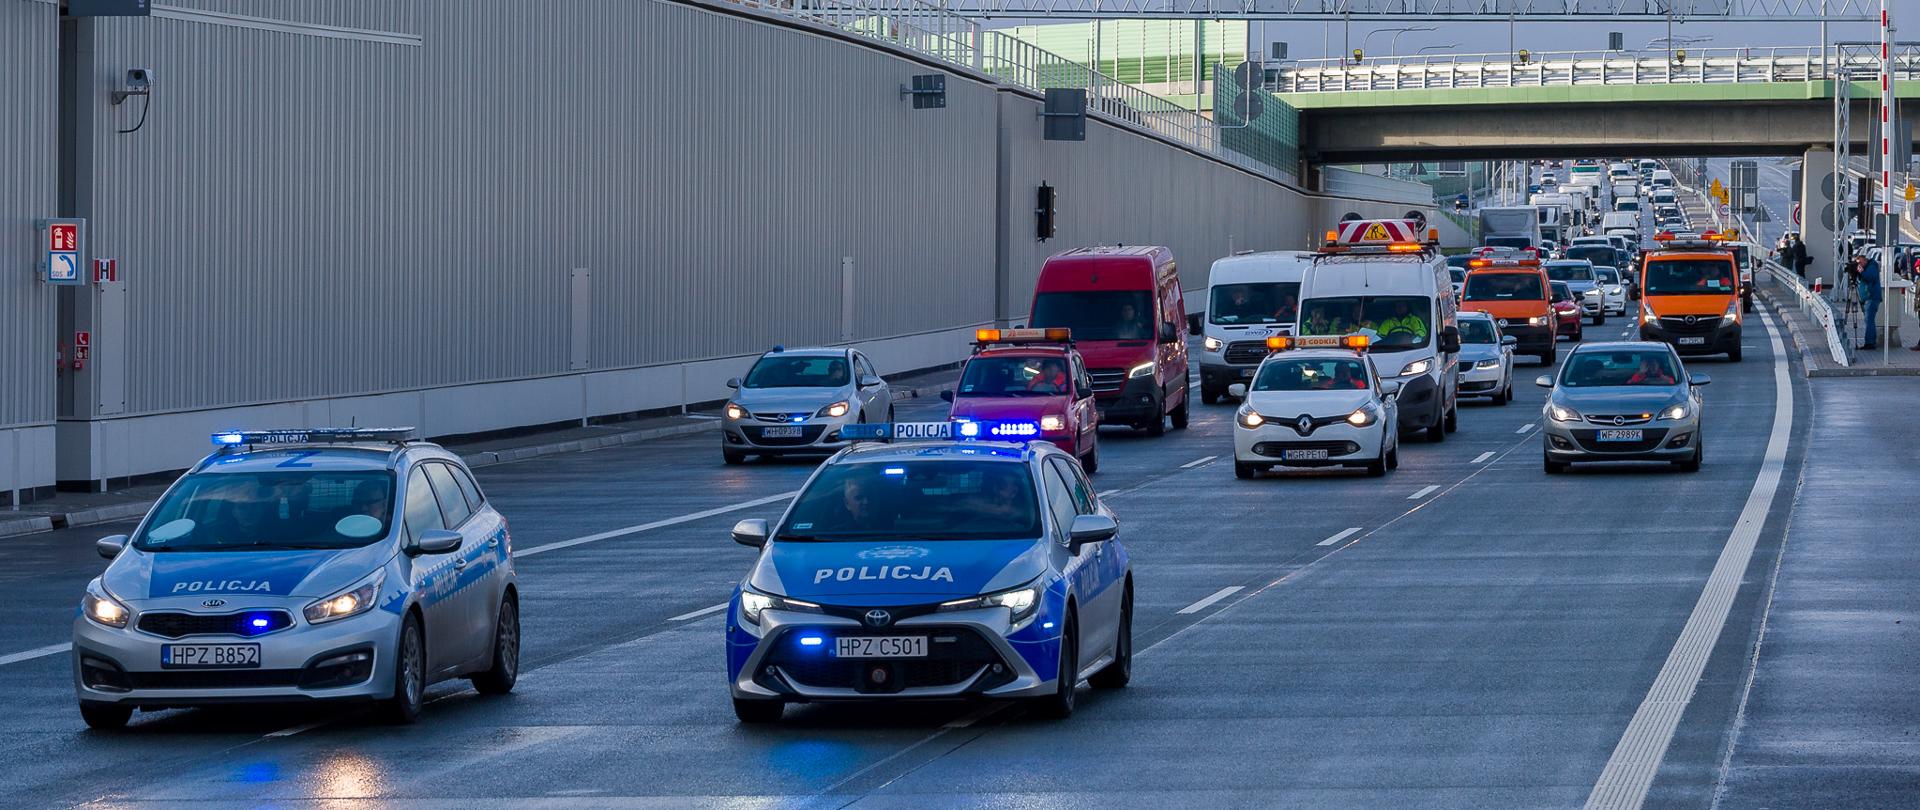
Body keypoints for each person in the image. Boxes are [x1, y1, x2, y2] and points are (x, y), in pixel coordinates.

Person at [1859, 254, 1882, 349]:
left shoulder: (1872, 267)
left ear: (1865, 261)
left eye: (1860, 262)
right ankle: (1870, 341)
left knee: (1869, 320)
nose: (1859, 264)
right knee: (1868, 320)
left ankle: (1870, 343)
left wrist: (1861, 272)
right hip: (1868, 297)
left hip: (1871, 297)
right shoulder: (1868, 267)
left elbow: (1870, 277)